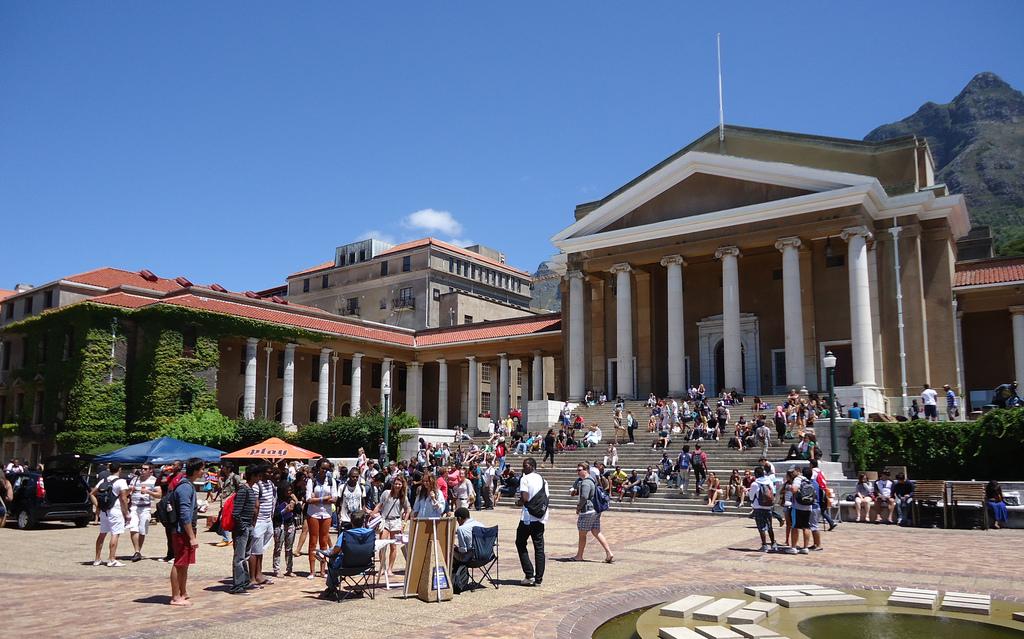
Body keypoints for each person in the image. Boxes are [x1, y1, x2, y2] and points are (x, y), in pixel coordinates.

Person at [169, 458, 204, 606]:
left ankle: (182, 592)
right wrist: (191, 537)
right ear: (196, 470)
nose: (204, 471)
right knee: (179, 563)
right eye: (202, 468)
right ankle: (175, 596)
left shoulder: (188, 485)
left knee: (185, 563)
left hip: (185, 530)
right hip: (181, 531)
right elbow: (184, 514)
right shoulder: (185, 487)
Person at [321, 510, 374, 599]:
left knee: (331, 558)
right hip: (365, 565)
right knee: (333, 555)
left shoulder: (346, 534)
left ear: (351, 521)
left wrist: (328, 554)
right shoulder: (369, 533)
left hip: (346, 566)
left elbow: (336, 550)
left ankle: (331, 587)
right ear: (363, 521)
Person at [570, 463, 613, 563]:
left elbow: (584, 497)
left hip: (587, 511)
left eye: (579, 470)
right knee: (596, 531)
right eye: (577, 470)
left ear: (586, 470)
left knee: (582, 534)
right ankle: (609, 552)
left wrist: (578, 507)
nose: (578, 472)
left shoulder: (586, 482)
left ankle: (579, 556)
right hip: (595, 510)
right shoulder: (592, 480)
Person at [515, 457, 547, 587]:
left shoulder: (525, 479)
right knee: (539, 547)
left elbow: (525, 497)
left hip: (528, 518)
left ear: (532, 466)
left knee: (520, 543)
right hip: (540, 517)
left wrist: (519, 502)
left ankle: (529, 575)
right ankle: (538, 579)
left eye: (526, 465)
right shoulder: (543, 480)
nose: (524, 468)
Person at [91, 462, 130, 567]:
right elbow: (123, 498)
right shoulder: (121, 481)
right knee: (115, 534)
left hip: (104, 511)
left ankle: (97, 559)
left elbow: (92, 494)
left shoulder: (103, 481)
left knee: (102, 534)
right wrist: (126, 513)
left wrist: (98, 506)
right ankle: (112, 559)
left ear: (109, 469)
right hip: (115, 510)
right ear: (120, 469)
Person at [371, 474, 410, 576]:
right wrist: (372, 514)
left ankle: (390, 569)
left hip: (396, 521)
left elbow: (408, 509)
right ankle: (382, 567)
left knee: (393, 546)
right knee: (382, 544)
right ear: (393, 484)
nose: (397, 486)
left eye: (399, 484)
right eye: (396, 484)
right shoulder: (386, 493)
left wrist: (404, 522)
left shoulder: (403, 497)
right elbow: (380, 505)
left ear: (402, 485)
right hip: (385, 520)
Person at [305, 460, 336, 579]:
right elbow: (308, 499)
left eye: (327, 469)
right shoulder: (311, 481)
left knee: (324, 542)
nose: (325, 471)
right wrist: (325, 499)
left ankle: (323, 570)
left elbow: (334, 498)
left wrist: (317, 499)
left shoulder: (331, 481)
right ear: (318, 468)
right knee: (313, 541)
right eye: (323, 468)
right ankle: (312, 571)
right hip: (313, 513)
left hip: (326, 513)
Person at [229, 466, 257, 594]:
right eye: (258, 475)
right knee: (239, 557)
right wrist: (243, 526)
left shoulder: (250, 490)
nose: (260, 478)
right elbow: (236, 512)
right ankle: (238, 585)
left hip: (248, 526)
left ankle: (244, 581)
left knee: (245, 555)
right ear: (253, 476)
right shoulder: (243, 490)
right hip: (243, 527)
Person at [124, 463, 161, 562]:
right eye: (142, 469)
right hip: (134, 507)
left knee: (142, 530)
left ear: (150, 471)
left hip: (145, 508)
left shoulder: (154, 480)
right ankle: (137, 551)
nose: (142, 471)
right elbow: (126, 493)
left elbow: (159, 495)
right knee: (133, 528)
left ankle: (138, 551)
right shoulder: (135, 479)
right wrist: (129, 490)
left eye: (145, 469)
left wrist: (148, 492)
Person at [248, 464, 276, 587]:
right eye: (267, 472)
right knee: (254, 551)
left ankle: (259, 574)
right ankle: (252, 578)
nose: (269, 474)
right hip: (258, 521)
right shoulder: (256, 486)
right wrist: (254, 522)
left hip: (267, 520)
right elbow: (255, 505)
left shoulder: (270, 484)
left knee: (261, 550)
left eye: (271, 472)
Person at [451, 506, 483, 592]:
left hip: (472, 559)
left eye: (457, 520)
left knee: (450, 552)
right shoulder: (480, 524)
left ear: (460, 518)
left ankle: (455, 580)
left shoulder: (461, 529)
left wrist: (455, 548)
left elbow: (463, 550)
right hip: (486, 556)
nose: (458, 522)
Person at [749, 467, 778, 552]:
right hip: (768, 507)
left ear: (756, 474)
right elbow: (773, 493)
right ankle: (773, 544)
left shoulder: (755, 484)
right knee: (770, 526)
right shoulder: (769, 482)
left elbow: (751, 497)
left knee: (761, 527)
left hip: (759, 507)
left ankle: (764, 545)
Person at [272, 481, 297, 577]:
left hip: (290, 525)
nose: (289, 492)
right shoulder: (277, 500)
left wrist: (296, 501)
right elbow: (276, 515)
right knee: (278, 547)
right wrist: (285, 510)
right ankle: (276, 569)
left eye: (291, 490)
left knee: (289, 548)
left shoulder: (291, 499)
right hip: (280, 525)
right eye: (288, 490)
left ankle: (289, 569)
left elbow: (299, 510)